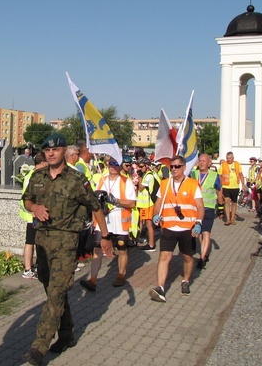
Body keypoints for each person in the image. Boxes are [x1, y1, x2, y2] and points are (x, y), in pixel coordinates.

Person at [21, 133, 113, 366]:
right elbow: (26, 200)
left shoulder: (76, 179)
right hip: (42, 241)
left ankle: (38, 347)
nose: (51, 153)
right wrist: (35, 208)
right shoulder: (37, 176)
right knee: (53, 290)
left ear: (64, 152)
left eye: (56, 149)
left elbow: (96, 207)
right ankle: (67, 333)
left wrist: (105, 236)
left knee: (56, 293)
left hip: (66, 242)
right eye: (47, 150)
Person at [149, 154, 204, 301]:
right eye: (171, 166)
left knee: (187, 257)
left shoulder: (193, 184)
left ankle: (185, 280)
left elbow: (200, 206)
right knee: (164, 256)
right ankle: (160, 287)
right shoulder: (165, 184)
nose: (173, 169)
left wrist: (198, 222)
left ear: (184, 168)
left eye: (177, 166)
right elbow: (158, 203)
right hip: (168, 226)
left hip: (187, 227)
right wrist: (155, 214)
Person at [80, 157, 138, 291]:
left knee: (122, 250)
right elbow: (95, 201)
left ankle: (120, 275)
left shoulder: (126, 182)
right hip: (103, 221)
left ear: (120, 166)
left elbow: (132, 203)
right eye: (110, 164)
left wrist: (116, 201)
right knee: (97, 249)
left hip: (119, 221)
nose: (112, 166)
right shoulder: (102, 180)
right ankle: (93, 280)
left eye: (116, 164)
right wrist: (94, 221)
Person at [19, 151, 48, 279]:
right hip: (32, 216)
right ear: (42, 163)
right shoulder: (34, 176)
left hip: (33, 214)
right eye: (46, 163)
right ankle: (28, 269)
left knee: (33, 241)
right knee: (30, 242)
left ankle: (32, 267)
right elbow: (29, 197)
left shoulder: (32, 174)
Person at [190, 153, 221, 268]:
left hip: (208, 208)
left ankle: (202, 257)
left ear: (209, 163)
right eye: (200, 160)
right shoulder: (193, 174)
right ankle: (204, 251)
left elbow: (219, 191)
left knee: (206, 232)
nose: (201, 162)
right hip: (195, 208)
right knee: (199, 233)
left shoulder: (214, 175)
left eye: (204, 161)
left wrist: (221, 208)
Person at [219, 151, 246, 225]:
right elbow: (220, 175)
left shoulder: (237, 164)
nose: (228, 160)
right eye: (227, 158)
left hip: (235, 187)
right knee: (227, 201)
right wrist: (220, 186)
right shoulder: (223, 165)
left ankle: (232, 218)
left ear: (233, 158)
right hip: (226, 186)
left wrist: (243, 184)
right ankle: (228, 219)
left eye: (230, 158)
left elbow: (241, 174)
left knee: (234, 202)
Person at [136, 158, 157, 251]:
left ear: (146, 166)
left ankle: (151, 244)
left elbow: (140, 188)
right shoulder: (148, 174)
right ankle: (150, 243)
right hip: (146, 204)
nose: (140, 168)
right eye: (139, 166)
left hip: (148, 204)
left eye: (141, 166)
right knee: (148, 224)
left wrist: (139, 177)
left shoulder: (148, 176)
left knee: (148, 224)